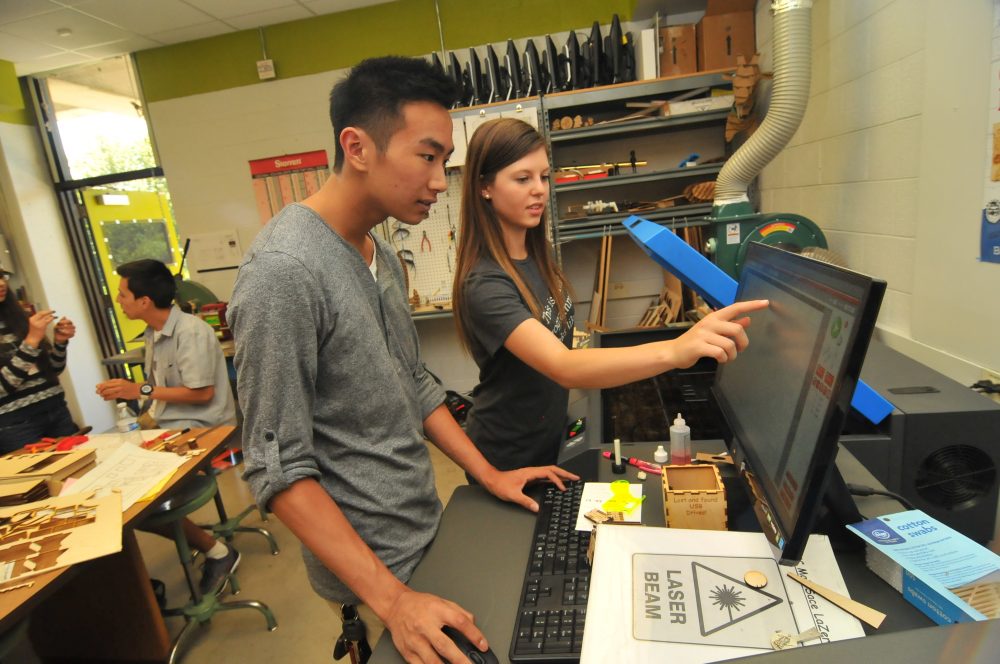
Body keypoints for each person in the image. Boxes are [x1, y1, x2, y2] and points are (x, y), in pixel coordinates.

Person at [227, 56, 576, 664]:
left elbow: (413, 382)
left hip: (426, 529)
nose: (442, 181)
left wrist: (488, 474)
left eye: (444, 161)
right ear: (357, 146)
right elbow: (275, 467)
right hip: (375, 574)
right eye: (428, 156)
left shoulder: (378, 254)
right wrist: (392, 603)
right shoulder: (283, 273)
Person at [451, 118, 769, 471]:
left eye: (543, 177)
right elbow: (563, 366)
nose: (539, 189)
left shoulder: (535, 258)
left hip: (548, 440)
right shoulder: (485, 285)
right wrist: (676, 350)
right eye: (522, 178)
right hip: (508, 459)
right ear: (485, 188)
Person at [95, 258, 239, 595]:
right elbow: (159, 391)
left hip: (203, 428)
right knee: (110, 479)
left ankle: (217, 551)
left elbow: (202, 394)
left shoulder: (190, 331)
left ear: (144, 301)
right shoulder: (152, 332)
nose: (119, 301)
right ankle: (193, 537)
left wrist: (139, 390)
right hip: (167, 425)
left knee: (134, 502)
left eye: (122, 294)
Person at [0, 267, 79, 453]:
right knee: (42, 480)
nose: (2, 283)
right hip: (16, 426)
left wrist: (60, 342)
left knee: (79, 471)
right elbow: (3, 386)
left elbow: (52, 370)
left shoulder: (19, 318)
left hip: (57, 410)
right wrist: (32, 340)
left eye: (2, 276)